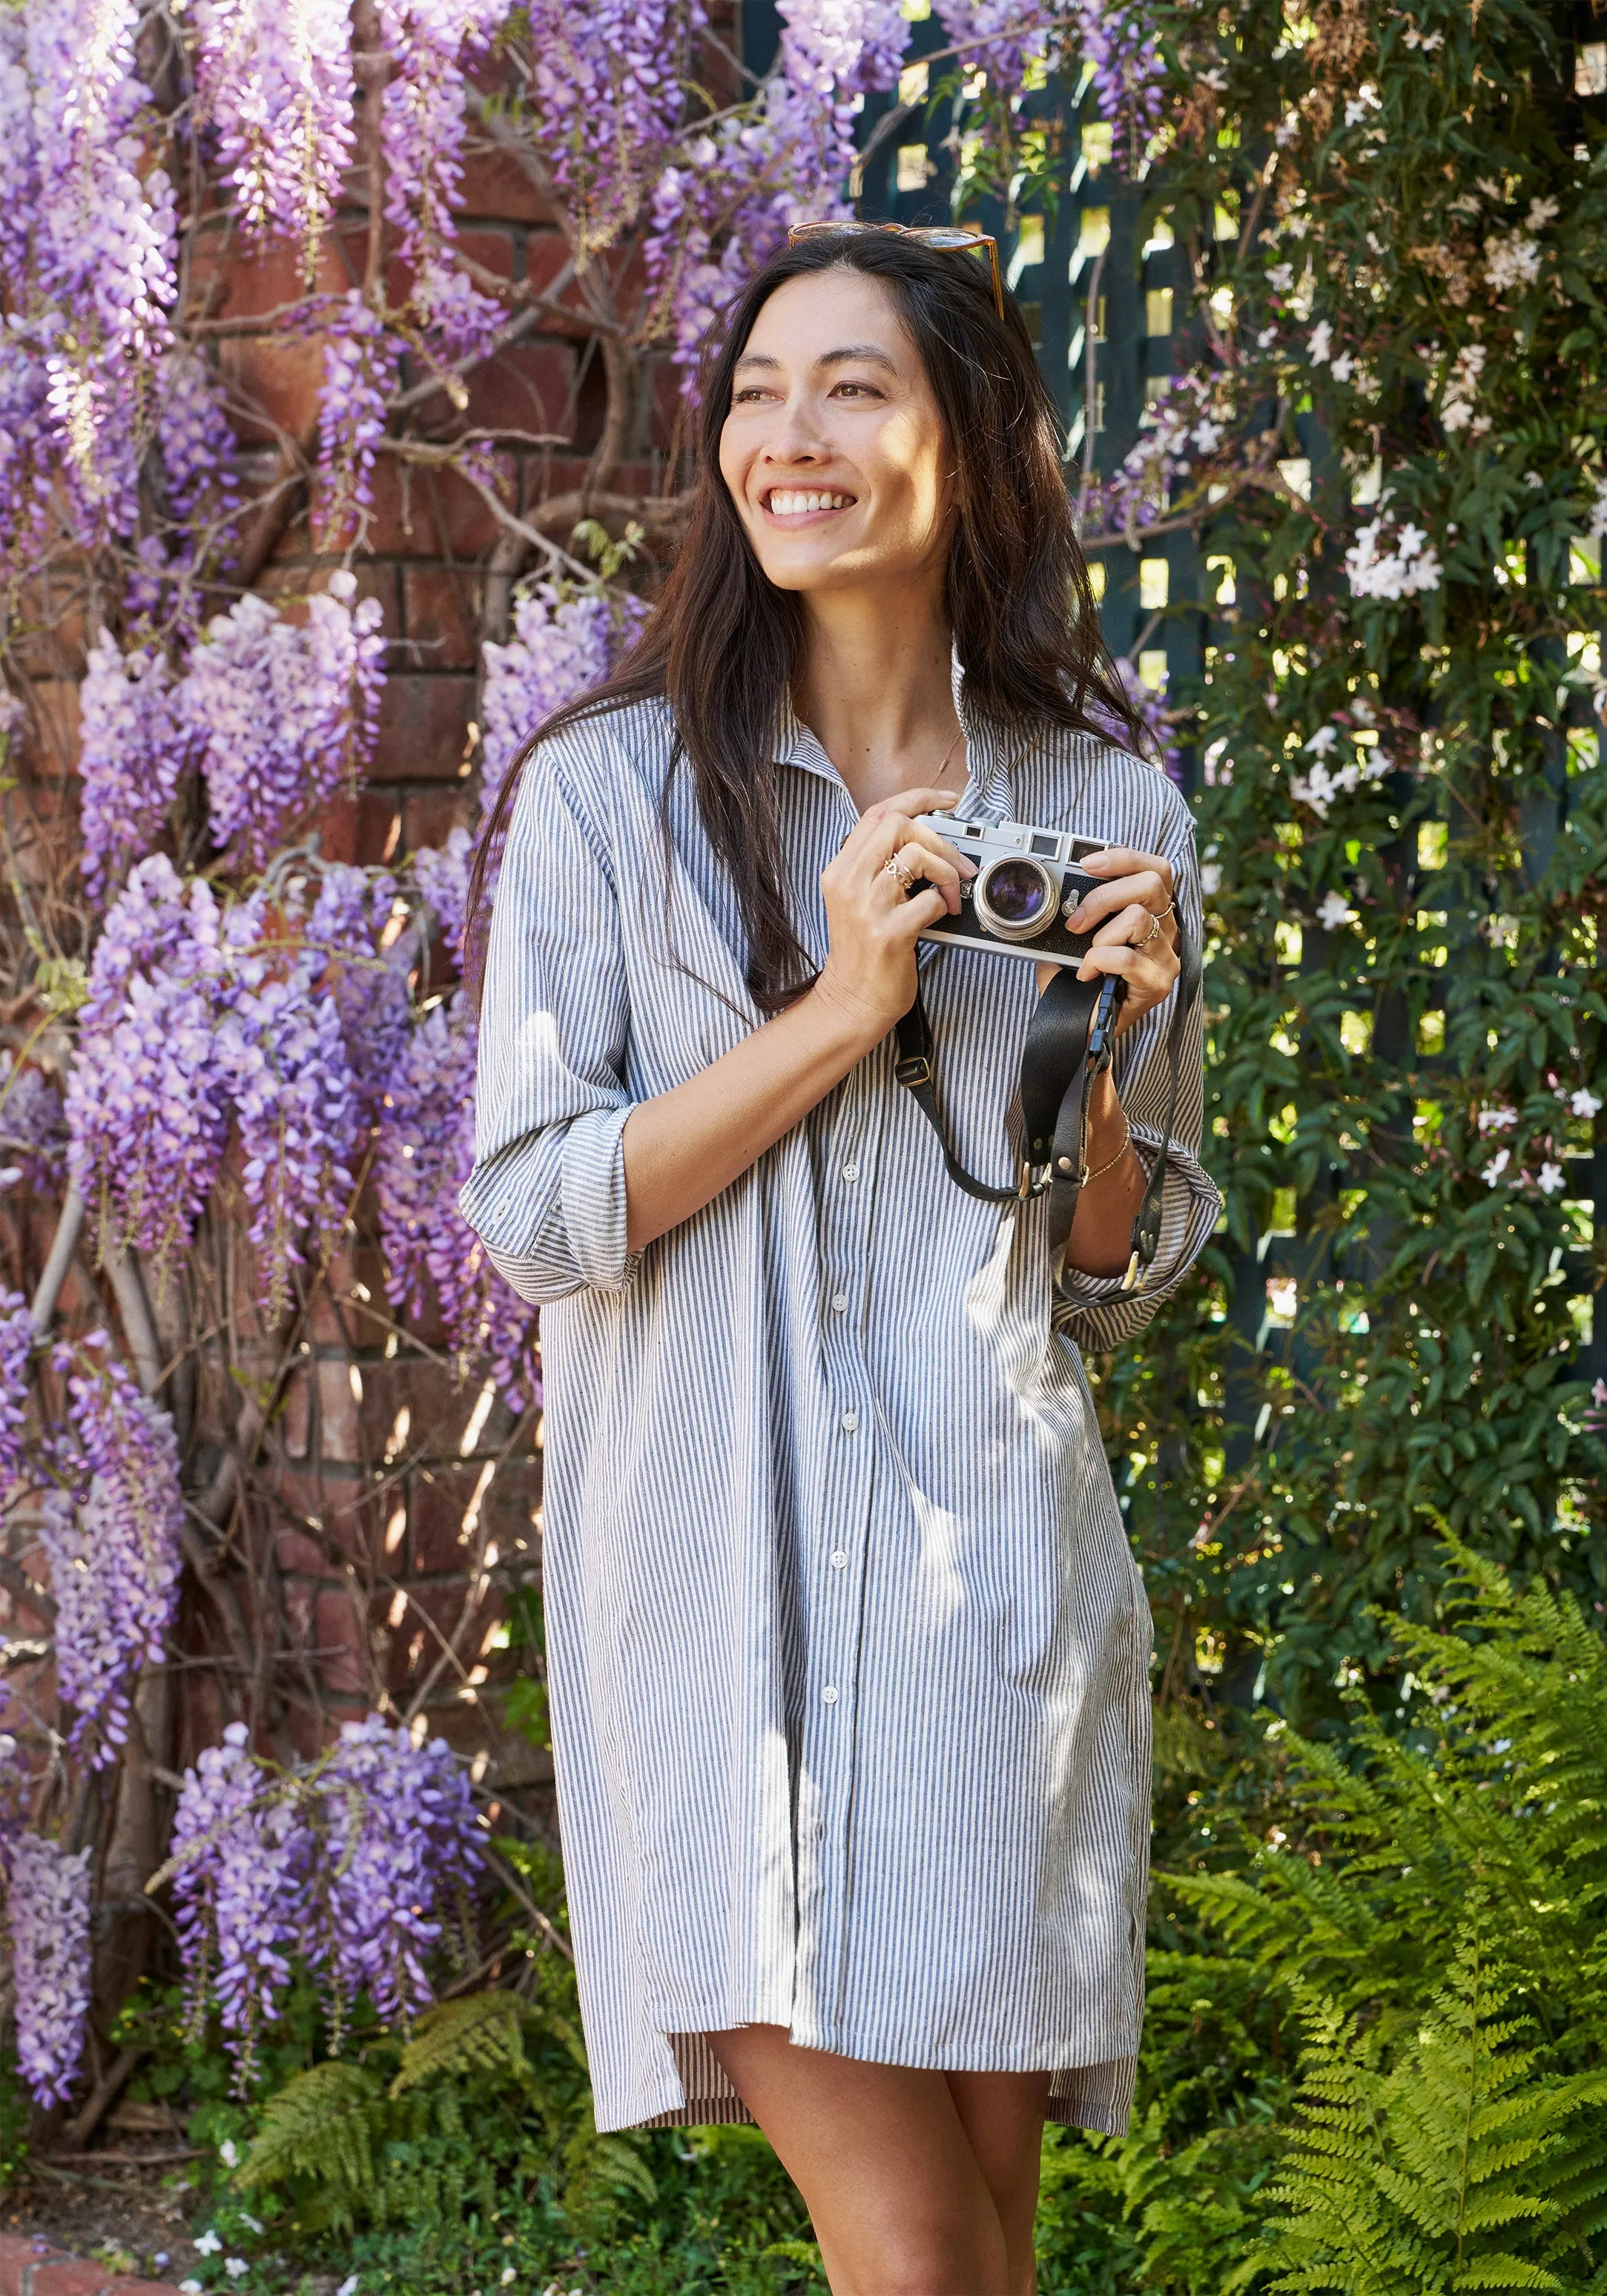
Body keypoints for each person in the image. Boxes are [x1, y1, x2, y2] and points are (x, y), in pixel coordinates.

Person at [460, 225, 1220, 2296]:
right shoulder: (605, 800)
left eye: (854, 388)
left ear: (966, 444)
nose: (787, 438)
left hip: (989, 1608)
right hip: (717, 1601)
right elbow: (537, 1214)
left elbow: (1109, 1275)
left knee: (981, 2259)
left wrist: (1104, 1045)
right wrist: (838, 999)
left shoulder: (1101, 801)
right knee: (909, 2255)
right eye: (758, 390)